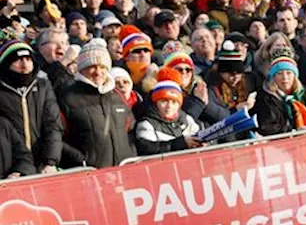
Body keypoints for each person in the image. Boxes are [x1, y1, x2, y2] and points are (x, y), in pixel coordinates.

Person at [60, 38, 135, 168]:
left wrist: (130, 155)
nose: (98, 72)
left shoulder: (118, 97)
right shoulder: (68, 97)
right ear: (81, 69)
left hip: (123, 171)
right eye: (92, 67)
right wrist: (81, 160)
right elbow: (55, 136)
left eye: (102, 67)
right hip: (88, 174)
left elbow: (130, 130)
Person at [0, 32, 62, 174]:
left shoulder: (43, 86)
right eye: (18, 60)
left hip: (42, 163)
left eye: (28, 59)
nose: (25, 64)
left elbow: (52, 124)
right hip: (11, 169)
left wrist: (50, 161)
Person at [249, 50, 306, 136]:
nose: (285, 77)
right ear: (273, 77)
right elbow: (266, 127)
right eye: (279, 73)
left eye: (289, 73)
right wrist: (293, 131)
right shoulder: (266, 98)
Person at [135, 68, 203, 155]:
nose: (169, 106)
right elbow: (148, 149)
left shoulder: (186, 119)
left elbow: (197, 135)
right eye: (164, 101)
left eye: (174, 102)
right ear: (156, 102)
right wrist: (181, 143)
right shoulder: (147, 124)